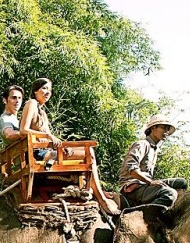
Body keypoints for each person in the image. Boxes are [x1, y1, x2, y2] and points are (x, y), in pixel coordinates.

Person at [20, 78, 121, 216]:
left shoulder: (42, 111)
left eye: (50, 89)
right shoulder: (31, 103)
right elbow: (23, 130)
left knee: (87, 152)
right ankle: (101, 198)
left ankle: (93, 191)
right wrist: (48, 136)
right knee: (89, 153)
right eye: (44, 88)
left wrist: (62, 146)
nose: (48, 92)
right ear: (35, 91)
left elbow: (50, 137)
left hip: (48, 150)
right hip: (38, 152)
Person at [118, 113, 189, 209]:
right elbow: (131, 169)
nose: (166, 132)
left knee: (182, 183)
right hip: (133, 187)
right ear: (153, 128)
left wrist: (152, 182)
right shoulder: (142, 144)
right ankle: (142, 211)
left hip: (145, 184)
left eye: (168, 129)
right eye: (163, 128)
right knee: (169, 194)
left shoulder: (154, 149)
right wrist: (150, 182)